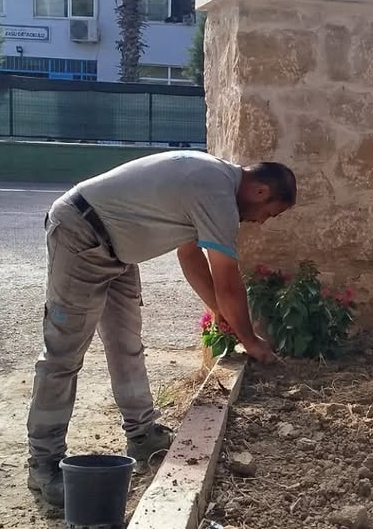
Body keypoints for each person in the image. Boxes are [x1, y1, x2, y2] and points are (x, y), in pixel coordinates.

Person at [26, 150, 296, 506]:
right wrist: (250, 340)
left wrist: (218, 310)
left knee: (126, 346)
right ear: (260, 191)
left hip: (117, 251)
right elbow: (227, 277)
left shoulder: (213, 183)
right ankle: (44, 464)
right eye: (269, 213)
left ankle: (142, 435)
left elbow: (189, 254)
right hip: (81, 235)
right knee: (63, 354)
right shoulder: (215, 190)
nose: (262, 222)